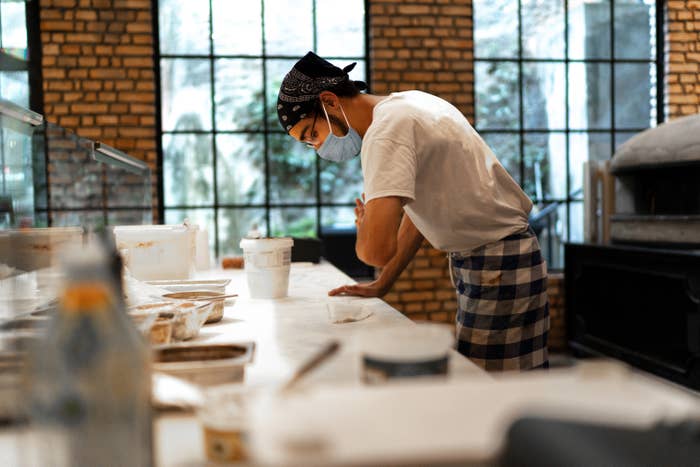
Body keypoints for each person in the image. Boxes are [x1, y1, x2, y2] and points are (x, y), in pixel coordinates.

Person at [277, 51, 549, 371]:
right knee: (506, 381)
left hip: (498, 261)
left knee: (488, 391)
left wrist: (367, 227)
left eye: (312, 134)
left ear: (330, 101)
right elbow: (420, 215)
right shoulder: (408, 103)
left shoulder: (387, 131)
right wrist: (384, 283)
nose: (319, 146)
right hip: (500, 257)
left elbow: (375, 250)